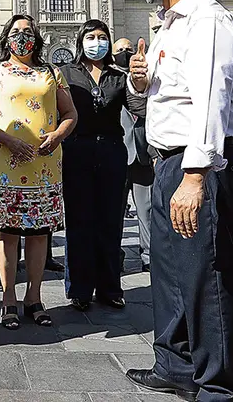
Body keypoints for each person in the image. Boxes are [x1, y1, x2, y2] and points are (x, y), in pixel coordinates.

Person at [126, 0, 233, 401]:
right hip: (166, 164)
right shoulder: (169, 25)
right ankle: (174, 366)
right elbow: (160, 97)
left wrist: (195, 176)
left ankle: (218, 385)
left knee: (206, 275)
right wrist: (140, 82)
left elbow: (212, 103)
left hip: (198, 167)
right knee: (169, 270)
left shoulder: (208, 21)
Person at [0, 15, 77, 330]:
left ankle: (34, 297)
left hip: (44, 166)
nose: (22, 37)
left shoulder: (52, 73)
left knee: (38, 232)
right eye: (16, 32)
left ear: (37, 38)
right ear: (6, 38)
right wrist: (7, 140)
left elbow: (70, 113)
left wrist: (58, 135)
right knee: (6, 231)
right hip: (6, 163)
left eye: (28, 32)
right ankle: (8, 298)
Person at [59, 20, 143, 311]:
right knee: (79, 221)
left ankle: (110, 286)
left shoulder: (118, 76)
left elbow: (138, 108)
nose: (97, 42)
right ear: (81, 41)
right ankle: (80, 288)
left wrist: (140, 84)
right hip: (77, 149)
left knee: (110, 221)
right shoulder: (66, 74)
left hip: (111, 150)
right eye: (91, 37)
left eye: (102, 37)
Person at [115, 37, 153, 273]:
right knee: (114, 212)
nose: (125, 53)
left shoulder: (147, 78)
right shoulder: (111, 80)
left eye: (128, 49)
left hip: (143, 153)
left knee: (146, 210)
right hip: (117, 155)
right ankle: (114, 256)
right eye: (120, 50)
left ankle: (148, 255)